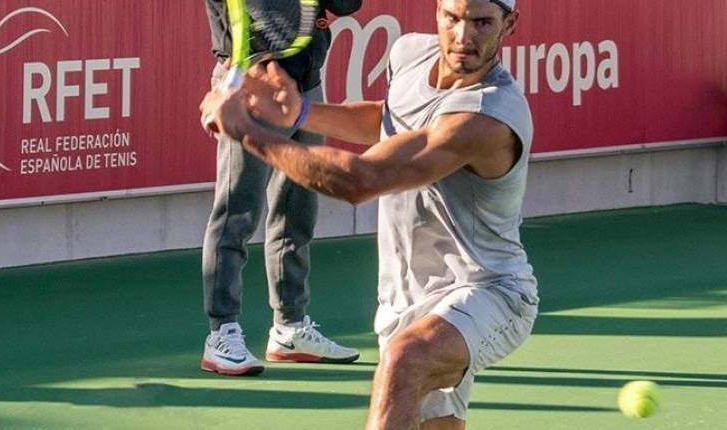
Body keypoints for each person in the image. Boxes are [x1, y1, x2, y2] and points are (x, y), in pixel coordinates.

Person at [202, 0, 537, 427]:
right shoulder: (410, 54)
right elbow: (389, 119)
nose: (463, 36)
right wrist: (301, 112)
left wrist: (249, 132)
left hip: (489, 290)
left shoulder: (487, 118)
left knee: (404, 360)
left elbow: (360, 180)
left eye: (482, 23)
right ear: (437, 12)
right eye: (452, 18)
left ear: (510, 24)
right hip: (404, 300)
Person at [199, 0, 363, 377]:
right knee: (236, 212)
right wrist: (250, 72)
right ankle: (221, 333)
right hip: (251, 83)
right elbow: (241, 16)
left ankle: (290, 328)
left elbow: (347, 5)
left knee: (297, 212)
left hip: (305, 85)